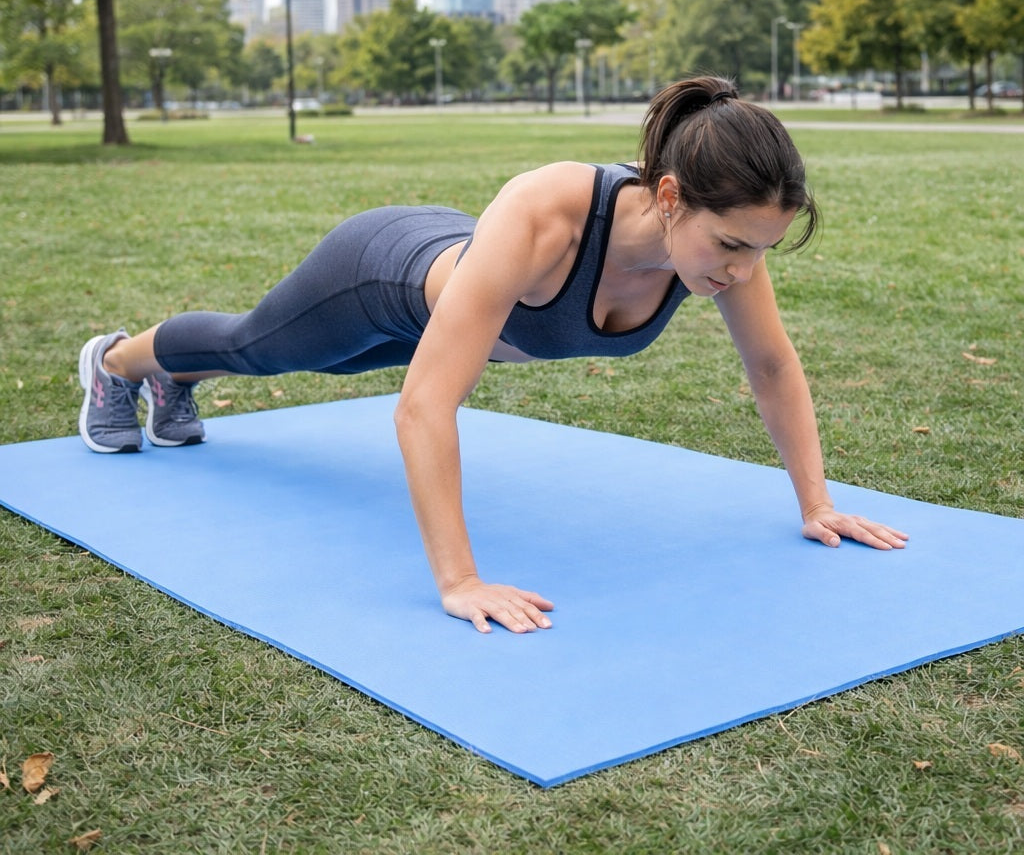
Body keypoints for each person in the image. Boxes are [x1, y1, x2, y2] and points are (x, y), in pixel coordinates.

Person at [77, 75, 909, 634]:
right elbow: (424, 406)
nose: (739, 271)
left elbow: (772, 366)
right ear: (669, 196)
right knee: (256, 349)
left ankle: (172, 380)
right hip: (379, 277)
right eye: (731, 245)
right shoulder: (548, 208)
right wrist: (459, 580)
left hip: (462, 310)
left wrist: (815, 502)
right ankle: (116, 363)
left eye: (759, 251)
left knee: (321, 368)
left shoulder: (726, 254)